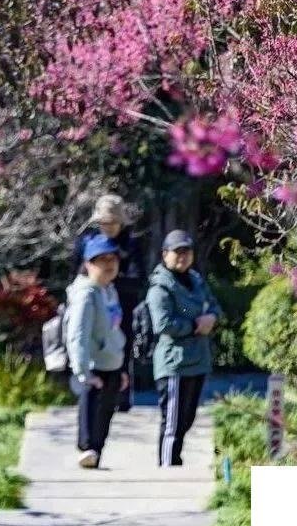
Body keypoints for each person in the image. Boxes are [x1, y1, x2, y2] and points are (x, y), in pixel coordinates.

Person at [146, 229, 222, 467]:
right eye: (177, 251)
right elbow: (163, 323)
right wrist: (194, 324)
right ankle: (168, 470)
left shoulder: (197, 280)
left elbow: (214, 306)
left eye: (187, 251)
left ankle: (174, 463)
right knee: (172, 423)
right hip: (174, 363)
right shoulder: (160, 287)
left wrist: (211, 318)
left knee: (187, 420)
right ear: (165, 254)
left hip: (198, 360)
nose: (183, 256)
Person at [73, 194, 145, 410]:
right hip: (93, 302)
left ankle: (121, 396)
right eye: (104, 222)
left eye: (113, 222)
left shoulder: (130, 244)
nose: (109, 227)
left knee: (121, 347)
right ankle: (90, 392)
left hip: (122, 306)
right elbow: (77, 274)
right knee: (89, 343)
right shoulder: (87, 241)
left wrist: (110, 281)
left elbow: (137, 278)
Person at [65, 233, 128, 469]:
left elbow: (114, 330)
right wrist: (83, 372)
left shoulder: (109, 290)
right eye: (103, 260)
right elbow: (77, 335)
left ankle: (95, 453)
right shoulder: (86, 294)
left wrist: (121, 367)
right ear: (88, 264)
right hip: (92, 365)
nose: (110, 265)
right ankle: (86, 450)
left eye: (113, 259)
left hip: (111, 363)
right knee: (91, 412)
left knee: (106, 416)